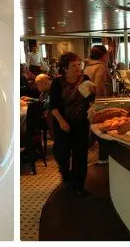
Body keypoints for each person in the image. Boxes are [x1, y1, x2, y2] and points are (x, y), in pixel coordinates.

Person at [49, 52, 96, 196]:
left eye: (78, 64)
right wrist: (62, 121)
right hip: (63, 122)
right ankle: (66, 176)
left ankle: (79, 186)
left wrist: (93, 93)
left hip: (81, 122)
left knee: (80, 155)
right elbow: (53, 107)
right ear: (65, 69)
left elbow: (90, 101)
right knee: (61, 153)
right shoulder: (57, 83)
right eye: (73, 65)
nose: (78, 68)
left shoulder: (85, 79)